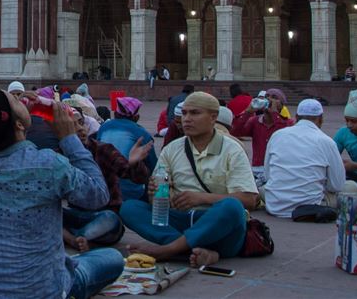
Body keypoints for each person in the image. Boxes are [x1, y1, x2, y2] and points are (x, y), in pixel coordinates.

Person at [0, 88, 121, 299]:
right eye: (15, 99)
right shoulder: (47, 165)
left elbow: (0, 137)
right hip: (44, 291)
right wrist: (69, 138)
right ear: (18, 124)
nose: (21, 98)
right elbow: (99, 195)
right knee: (113, 258)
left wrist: (20, 114)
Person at [121, 91, 258, 269]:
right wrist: (156, 194)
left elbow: (250, 200)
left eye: (195, 113)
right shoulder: (172, 149)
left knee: (232, 207)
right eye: (184, 113)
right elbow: (157, 199)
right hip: (180, 220)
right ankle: (195, 251)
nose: (186, 119)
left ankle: (169, 250)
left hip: (216, 223)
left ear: (213, 117)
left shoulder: (232, 150)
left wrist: (200, 198)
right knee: (130, 208)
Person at [66, 112, 151, 251]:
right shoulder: (60, 154)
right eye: (71, 125)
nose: (80, 128)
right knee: (48, 214)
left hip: (104, 214)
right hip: (76, 214)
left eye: (81, 122)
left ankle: (75, 237)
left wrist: (134, 163)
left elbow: (136, 177)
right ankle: (77, 238)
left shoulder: (103, 149)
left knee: (110, 220)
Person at [261, 99, 357, 217]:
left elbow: (268, 176)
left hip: (275, 206)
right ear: (321, 118)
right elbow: (337, 185)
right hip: (312, 207)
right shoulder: (326, 141)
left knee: (262, 188)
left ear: (296, 117)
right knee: (352, 187)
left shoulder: (277, 135)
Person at [231, 87, 293, 183]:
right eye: (266, 96)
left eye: (274, 97)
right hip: (257, 170)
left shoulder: (288, 123)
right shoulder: (255, 121)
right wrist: (248, 112)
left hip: (278, 170)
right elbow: (236, 131)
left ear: (281, 104)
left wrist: (274, 114)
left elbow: (282, 133)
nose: (269, 99)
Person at [96, 96, 157, 181]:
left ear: (115, 114)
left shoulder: (103, 128)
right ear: (136, 117)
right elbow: (153, 166)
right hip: (131, 191)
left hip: (103, 185)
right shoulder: (142, 133)